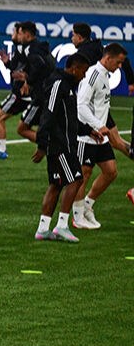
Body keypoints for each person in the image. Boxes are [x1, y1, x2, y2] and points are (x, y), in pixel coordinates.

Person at [32, 53, 99, 243]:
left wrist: (87, 130)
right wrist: (42, 144)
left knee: (56, 184)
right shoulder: (58, 84)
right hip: (60, 144)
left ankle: (43, 228)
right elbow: (49, 113)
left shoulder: (68, 86)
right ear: (75, 68)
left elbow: (68, 116)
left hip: (65, 142)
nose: (85, 76)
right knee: (76, 179)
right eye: (84, 72)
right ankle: (62, 225)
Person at [73, 43, 129, 229]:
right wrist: (97, 126)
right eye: (118, 62)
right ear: (108, 58)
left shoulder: (105, 76)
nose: (120, 66)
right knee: (83, 175)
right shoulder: (93, 75)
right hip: (87, 135)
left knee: (111, 171)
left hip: (100, 135)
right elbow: (81, 105)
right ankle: (77, 216)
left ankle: (88, 206)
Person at [72, 23, 134, 155]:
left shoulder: (83, 54)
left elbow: (82, 98)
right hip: (100, 103)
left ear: (79, 37)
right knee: (116, 141)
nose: (72, 39)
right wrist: (130, 82)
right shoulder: (99, 47)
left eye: (73, 35)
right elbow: (126, 61)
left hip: (94, 106)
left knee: (115, 141)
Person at [0, 22, 30, 160]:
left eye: (15, 32)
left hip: (20, 94)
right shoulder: (21, 48)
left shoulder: (26, 49)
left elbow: (33, 66)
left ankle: (1, 150)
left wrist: (27, 80)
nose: (13, 35)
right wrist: (7, 63)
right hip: (27, 94)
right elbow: (17, 67)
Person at [9, 20, 56, 145]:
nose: (19, 37)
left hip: (41, 96)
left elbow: (39, 65)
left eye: (20, 34)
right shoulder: (38, 48)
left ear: (27, 35)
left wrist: (28, 81)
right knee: (43, 127)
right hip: (47, 93)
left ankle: (51, 146)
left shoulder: (32, 50)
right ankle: (49, 146)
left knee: (22, 129)